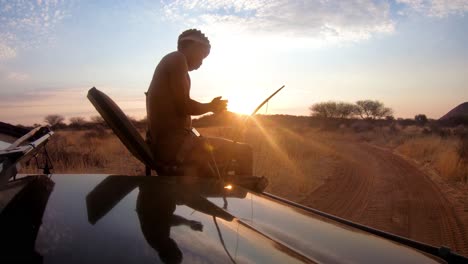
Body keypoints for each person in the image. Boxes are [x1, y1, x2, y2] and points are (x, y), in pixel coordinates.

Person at [146, 29, 252, 178]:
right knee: (245, 151)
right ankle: (246, 200)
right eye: (202, 55)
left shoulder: (172, 62)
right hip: (176, 148)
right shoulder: (177, 59)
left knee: (216, 176)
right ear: (192, 46)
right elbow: (184, 106)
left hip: (175, 145)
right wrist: (211, 106)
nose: (201, 63)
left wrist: (210, 107)